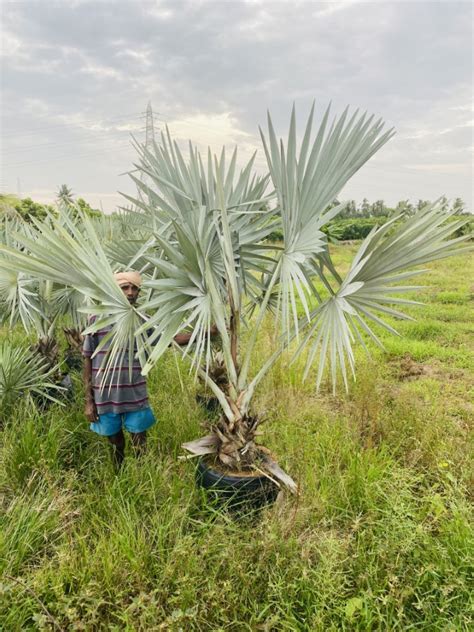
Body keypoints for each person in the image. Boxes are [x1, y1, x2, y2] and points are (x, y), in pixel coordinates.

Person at [83, 270, 194, 467]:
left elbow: (169, 339)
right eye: (125, 287)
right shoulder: (96, 320)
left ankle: (142, 474)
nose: (130, 292)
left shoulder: (142, 319)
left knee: (140, 441)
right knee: (115, 442)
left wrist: (202, 333)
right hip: (105, 394)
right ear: (115, 290)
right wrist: (89, 401)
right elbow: (87, 359)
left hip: (134, 390)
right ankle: (120, 471)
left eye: (135, 288)